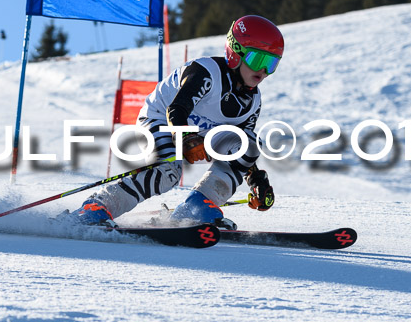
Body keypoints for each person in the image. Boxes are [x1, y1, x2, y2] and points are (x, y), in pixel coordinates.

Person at [73, 15, 284, 228]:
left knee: (249, 142)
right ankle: (97, 207)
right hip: (160, 119)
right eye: (258, 60)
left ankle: (197, 208)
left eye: (271, 63)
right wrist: (186, 137)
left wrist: (257, 180)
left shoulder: (253, 102)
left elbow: (239, 151)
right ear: (235, 52)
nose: (263, 71)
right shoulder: (206, 72)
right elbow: (177, 109)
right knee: (168, 172)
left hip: (199, 134)